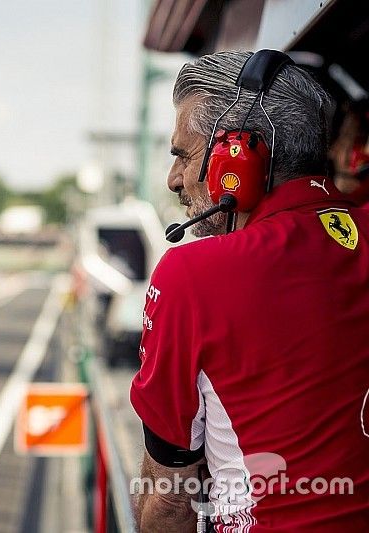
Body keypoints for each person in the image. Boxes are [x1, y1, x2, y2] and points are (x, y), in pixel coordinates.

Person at [130, 50, 369, 531]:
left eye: (182, 154)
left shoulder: (192, 274)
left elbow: (168, 498)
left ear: (238, 155)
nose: (173, 179)